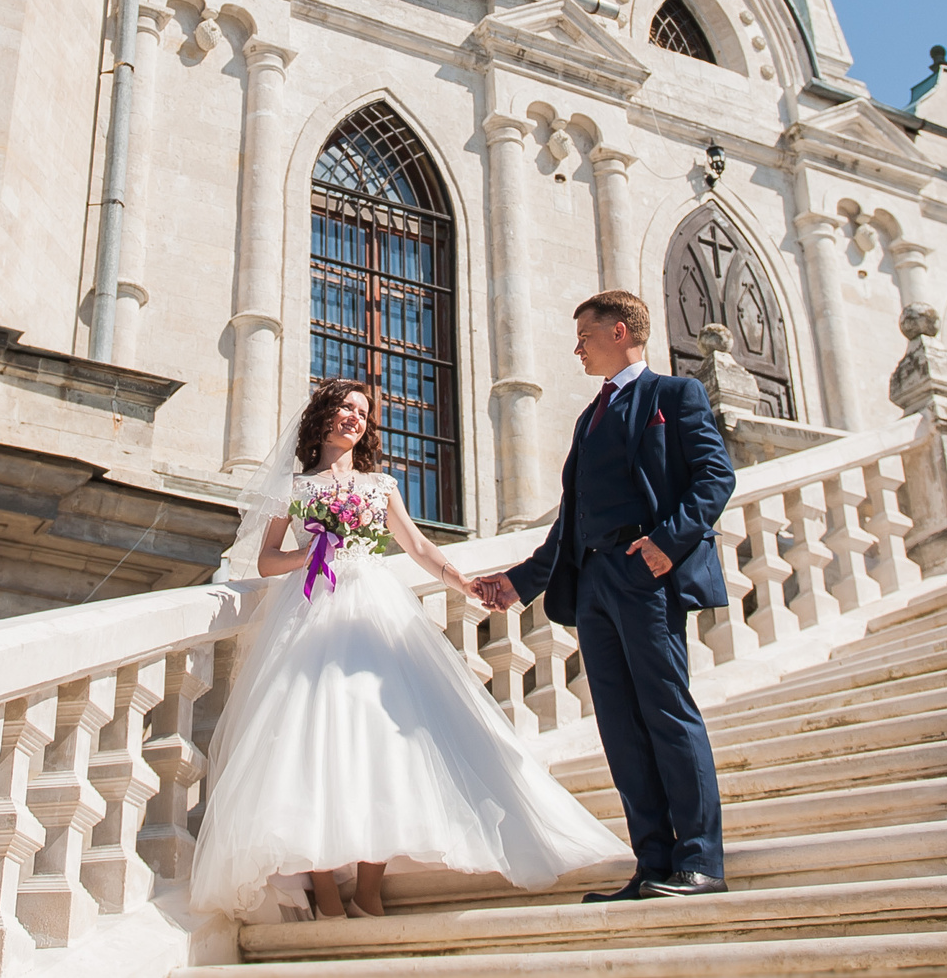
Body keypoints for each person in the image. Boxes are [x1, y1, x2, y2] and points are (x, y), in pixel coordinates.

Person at [190, 377, 627, 921]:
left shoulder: (381, 486)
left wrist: (460, 581)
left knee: (383, 740)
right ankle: (325, 891)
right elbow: (266, 561)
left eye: (363, 412)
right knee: (304, 744)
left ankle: (368, 890)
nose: (355, 417)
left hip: (375, 613)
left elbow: (417, 545)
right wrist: (314, 553)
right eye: (346, 407)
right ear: (323, 414)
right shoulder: (294, 488)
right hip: (309, 616)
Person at [472, 290, 736, 902]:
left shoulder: (674, 396)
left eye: (584, 337)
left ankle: (701, 862)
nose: (577, 348)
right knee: (619, 727)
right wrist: (519, 581)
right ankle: (652, 864)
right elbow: (569, 524)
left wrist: (668, 543)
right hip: (592, 585)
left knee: (667, 714)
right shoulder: (588, 418)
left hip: (645, 575)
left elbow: (715, 475)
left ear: (620, 332)